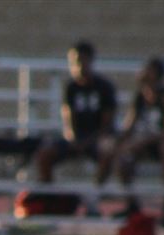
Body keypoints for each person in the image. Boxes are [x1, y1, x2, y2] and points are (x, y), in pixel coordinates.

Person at [34, 41, 117, 209]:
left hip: (97, 138)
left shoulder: (104, 87)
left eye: (81, 60)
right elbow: (68, 119)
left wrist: (88, 141)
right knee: (44, 154)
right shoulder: (71, 87)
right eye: (73, 62)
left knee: (108, 151)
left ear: (90, 60)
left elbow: (107, 124)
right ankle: (50, 199)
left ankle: (94, 198)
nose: (77, 66)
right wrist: (73, 139)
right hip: (76, 138)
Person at [111, 57, 164, 227]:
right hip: (143, 144)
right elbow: (128, 127)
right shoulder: (140, 97)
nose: (142, 73)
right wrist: (118, 142)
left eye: (147, 70)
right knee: (122, 153)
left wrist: (145, 140)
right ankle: (131, 203)